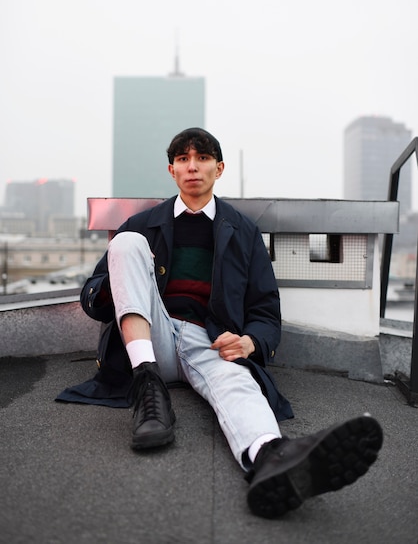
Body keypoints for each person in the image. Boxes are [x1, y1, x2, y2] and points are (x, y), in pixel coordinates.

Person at [71, 127, 383, 519]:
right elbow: (94, 293)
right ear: (171, 171)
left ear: (218, 168)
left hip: (210, 339)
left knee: (238, 381)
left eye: (201, 158)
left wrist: (252, 341)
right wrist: (123, 282)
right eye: (183, 159)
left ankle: (271, 457)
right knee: (126, 244)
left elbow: (266, 309)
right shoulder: (142, 223)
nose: (192, 167)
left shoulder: (243, 232)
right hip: (152, 338)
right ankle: (148, 388)